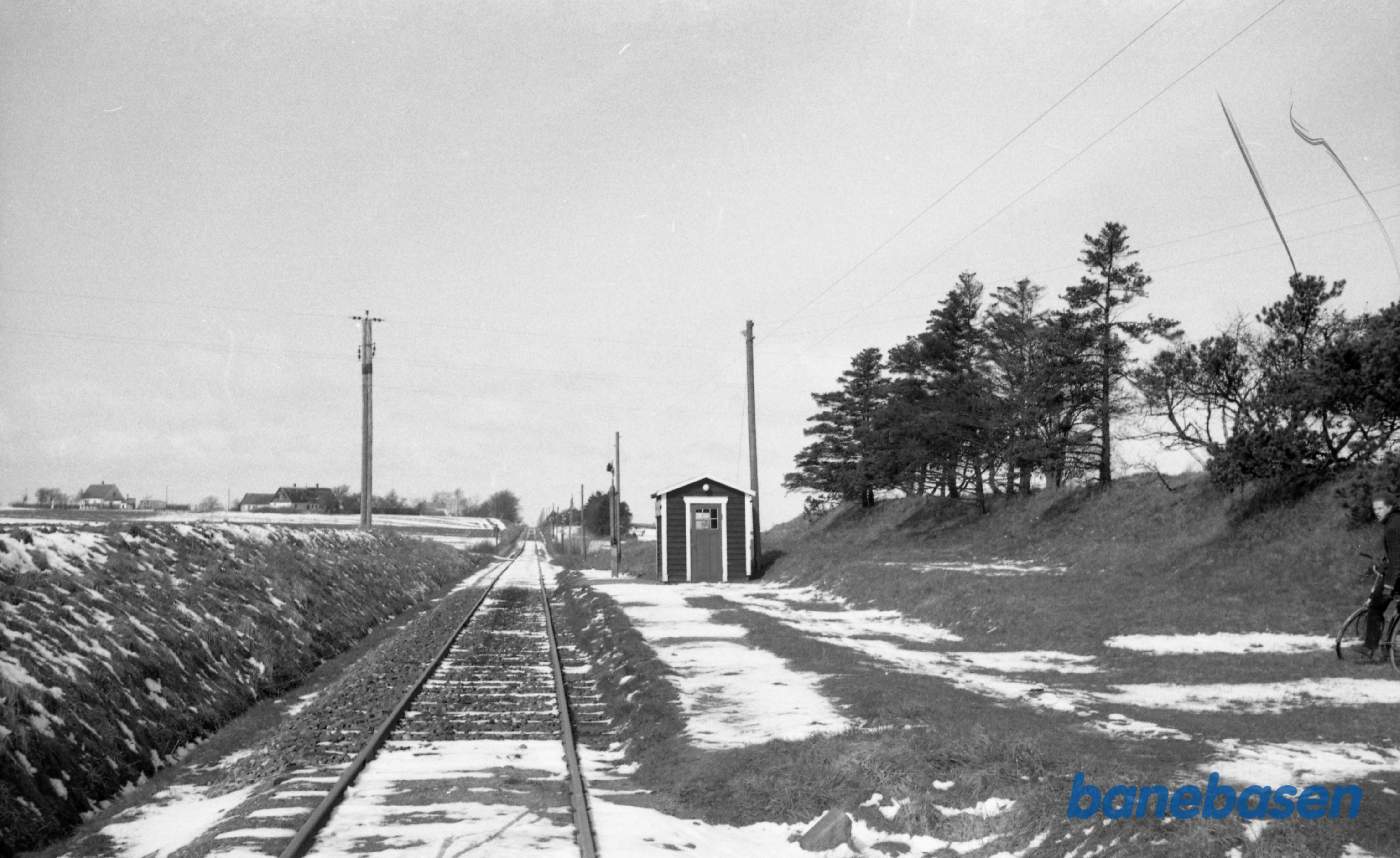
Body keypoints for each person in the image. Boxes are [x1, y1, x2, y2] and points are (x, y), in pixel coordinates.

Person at [1351, 491, 1400, 661]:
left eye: (1380, 508)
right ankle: (1393, 648)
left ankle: (1369, 648)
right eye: (1375, 509)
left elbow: (1397, 560)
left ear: (1389, 507)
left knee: (1375, 607)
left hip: (1395, 577)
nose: (1377, 512)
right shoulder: (1396, 521)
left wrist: (1389, 586)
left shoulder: (1392, 527)